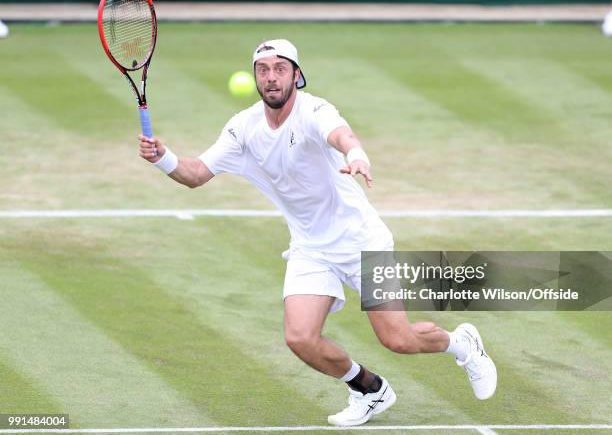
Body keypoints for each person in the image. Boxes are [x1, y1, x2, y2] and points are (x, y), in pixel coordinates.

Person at [138, 39, 497, 426]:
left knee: (399, 340)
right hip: (311, 247)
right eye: (263, 70)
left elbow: (342, 136)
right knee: (300, 338)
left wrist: (357, 157)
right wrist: (163, 158)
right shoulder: (243, 128)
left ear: (296, 75)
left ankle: (462, 345)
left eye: (280, 69)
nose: (271, 78)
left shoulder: (314, 110)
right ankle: (369, 389)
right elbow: (195, 174)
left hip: (362, 241)